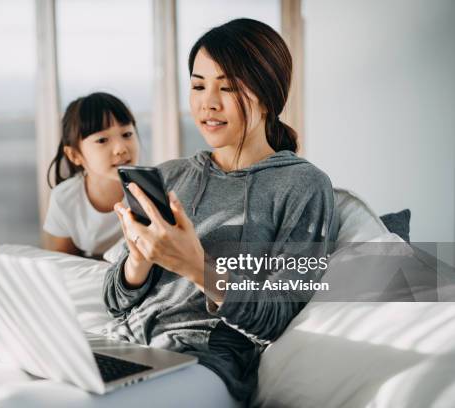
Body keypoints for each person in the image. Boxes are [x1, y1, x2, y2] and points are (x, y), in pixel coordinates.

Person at [104, 18, 339, 404]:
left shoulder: (303, 186)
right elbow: (114, 301)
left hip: (206, 366)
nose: (207, 103)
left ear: (266, 93)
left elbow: (276, 317)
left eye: (227, 87)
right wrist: (140, 258)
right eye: (198, 85)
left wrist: (195, 267)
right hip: (124, 348)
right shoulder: (169, 176)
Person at [44, 92, 140, 258]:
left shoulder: (153, 188)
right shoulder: (64, 198)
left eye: (127, 134)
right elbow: (61, 262)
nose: (121, 148)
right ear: (75, 155)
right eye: (102, 140)